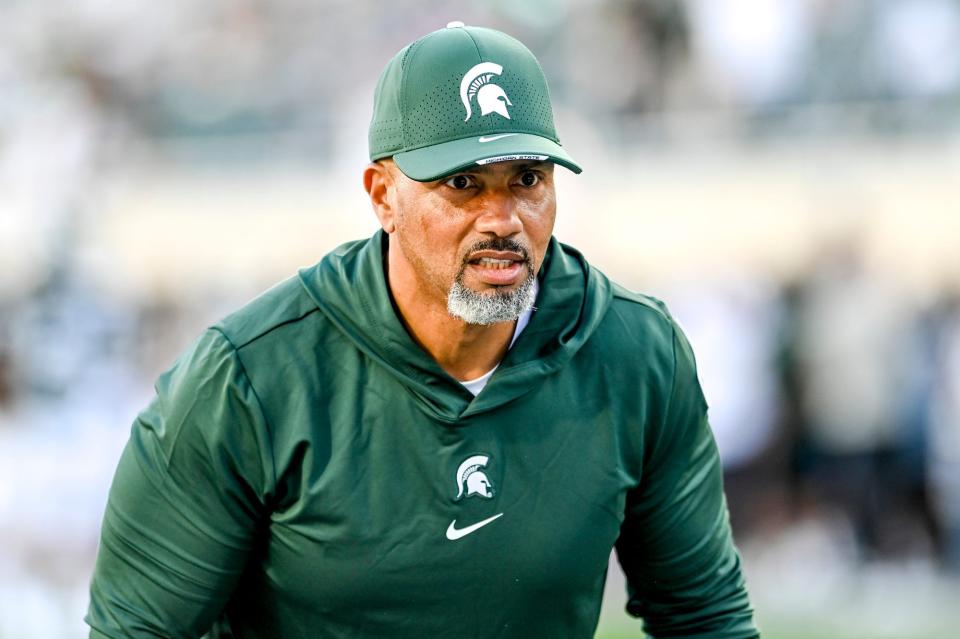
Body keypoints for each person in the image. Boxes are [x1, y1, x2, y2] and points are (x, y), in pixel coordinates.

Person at [86, 23, 758, 639]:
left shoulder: (635, 355)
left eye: (527, 178)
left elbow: (703, 616)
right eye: (464, 182)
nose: (502, 217)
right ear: (382, 195)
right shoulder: (250, 377)